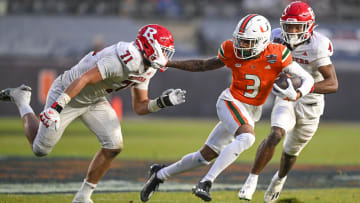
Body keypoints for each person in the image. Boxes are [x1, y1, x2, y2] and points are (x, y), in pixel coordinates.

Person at [0, 24, 186, 203]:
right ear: (149, 45)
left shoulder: (147, 67)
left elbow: (140, 106)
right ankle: (22, 100)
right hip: (68, 93)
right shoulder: (124, 58)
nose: (165, 54)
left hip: (94, 99)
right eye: (162, 49)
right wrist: (57, 107)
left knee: (114, 146)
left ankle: (83, 196)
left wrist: (162, 102)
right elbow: (85, 79)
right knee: (40, 149)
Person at [140, 14, 314, 202]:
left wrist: (297, 94)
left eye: (247, 42)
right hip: (230, 102)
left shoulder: (277, 53)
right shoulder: (230, 49)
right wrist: (168, 63)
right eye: (239, 40)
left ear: (262, 41)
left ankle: (159, 174)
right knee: (247, 138)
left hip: (250, 111)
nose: (241, 46)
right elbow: (203, 65)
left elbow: (308, 78)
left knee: (203, 157)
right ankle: (206, 182)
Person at [238, 2, 338, 203]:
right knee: (276, 133)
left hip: (310, 104)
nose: (291, 31)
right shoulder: (274, 37)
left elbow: (332, 84)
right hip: (286, 98)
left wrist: (301, 90)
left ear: (309, 26)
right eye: (288, 26)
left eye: (297, 27)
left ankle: (279, 180)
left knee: (290, 153)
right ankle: (252, 179)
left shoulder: (318, 45)